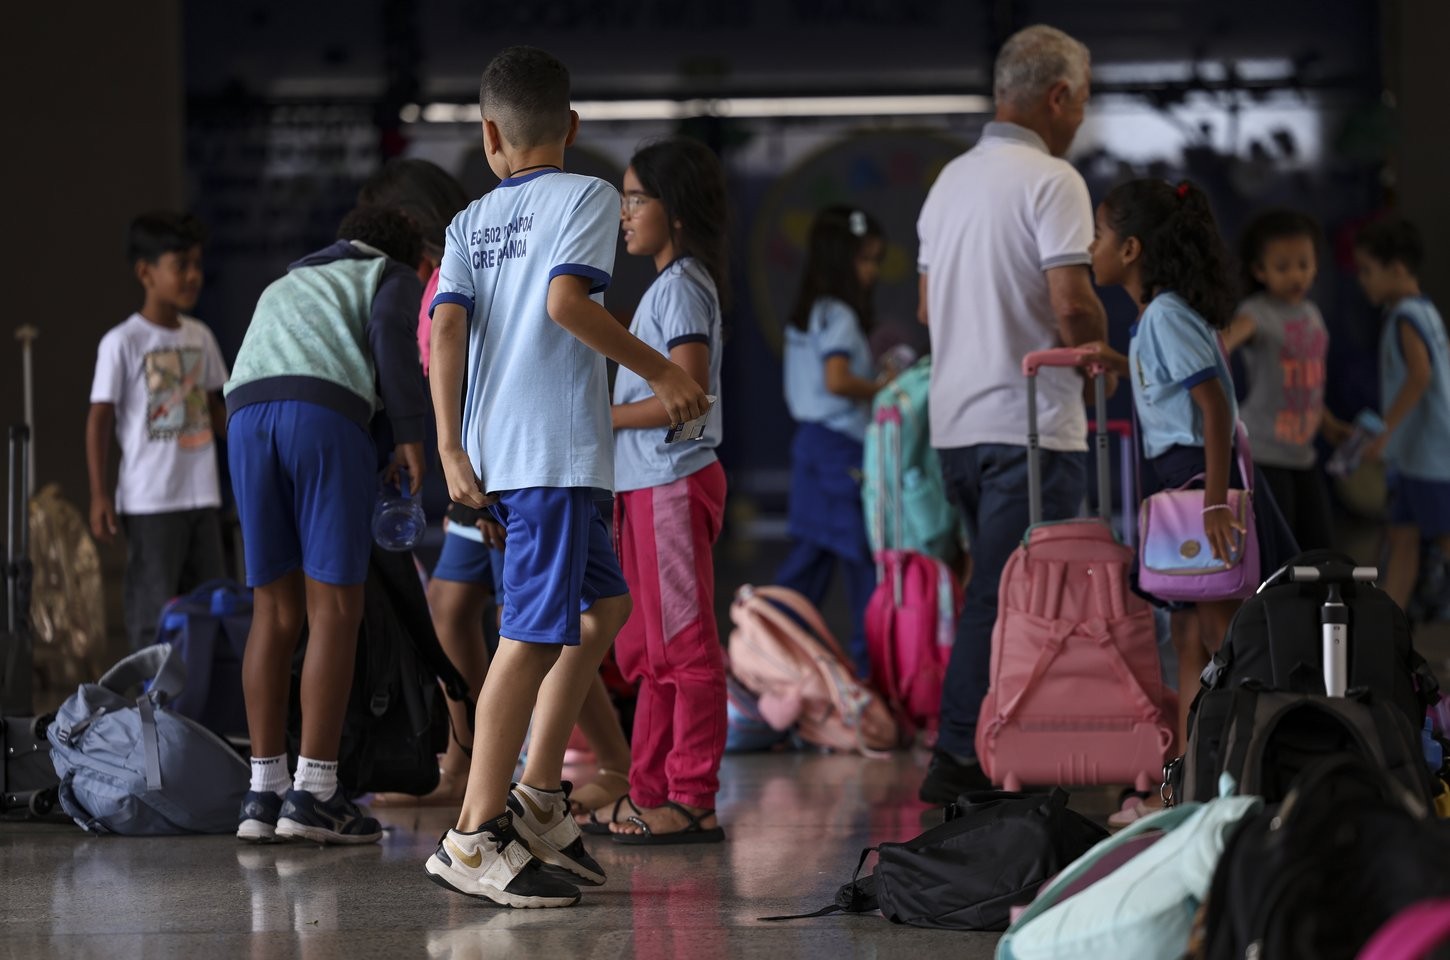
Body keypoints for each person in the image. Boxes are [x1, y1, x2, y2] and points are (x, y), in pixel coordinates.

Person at [424, 46, 708, 909]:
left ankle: (541, 799)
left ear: (487, 136)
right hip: (550, 455)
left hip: (516, 454)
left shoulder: (468, 222)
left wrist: (447, 445)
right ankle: (474, 836)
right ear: (573, 127)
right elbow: (565, 304)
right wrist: (662, 373)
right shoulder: (584, 197)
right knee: (535, 637)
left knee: (603, 608)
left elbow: (444, 334)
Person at [914, 24, 1105, 804]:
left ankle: (995, 742)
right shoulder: (1054, 180)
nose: (1082, 120)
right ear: (1057, 97)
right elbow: (1071, 303)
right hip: (1028, 426)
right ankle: (961, 755)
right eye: (1082, 103)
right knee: (1012, 596)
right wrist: (1097, 355)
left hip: (955, 425)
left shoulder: (949, 181)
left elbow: (928, 309)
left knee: (991, 591)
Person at [1081, 179, 1299, 825]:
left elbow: (1214, 406)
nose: (1088, 247)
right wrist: (1120, 363)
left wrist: (1211, 502)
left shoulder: (1167, 314)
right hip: (1181, 476)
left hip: (1194, 479)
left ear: (1130, 250)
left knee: (1219, 637)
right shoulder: (1159, 317)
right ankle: (1186, 788)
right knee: (1188, 636)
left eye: (1097, 235)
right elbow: (1178, 391)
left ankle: (1225, 782)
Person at [226, 205, 430, 844]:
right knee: (335, 610)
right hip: (321, 415)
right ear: (404, 255)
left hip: (244, 418)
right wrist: (412, 437)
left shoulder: (288, 281)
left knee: (273, 611)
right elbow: (392, 346)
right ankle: (316, 795)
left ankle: (263, 793)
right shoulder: (389, 275)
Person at [602, 138, 729, 844]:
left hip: (672, 484)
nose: (625, 213)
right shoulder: (668, 284)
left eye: (636, 198)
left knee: (684, 649)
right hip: (647, 488)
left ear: (672, 211)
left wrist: (605, 417)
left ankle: (693, 796)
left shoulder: (681, 285)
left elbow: (687, 395)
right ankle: (649, 792)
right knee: (648, 652)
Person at [87, 212, 230, 652]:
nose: (192, 276)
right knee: (153, 609)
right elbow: (99, 418)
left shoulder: (200, 336)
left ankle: (199, 709)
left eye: (197, 265)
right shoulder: (123, 342)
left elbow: (215, 407)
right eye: (180, 265)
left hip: (201, 496)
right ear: (146, 272)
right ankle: (146, 712)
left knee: (211, 603)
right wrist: (99, 494)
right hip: (151, 500)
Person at [776, 205, 886, 675]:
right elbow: (838, 379)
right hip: (841, 448)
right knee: (862, 560)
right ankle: (872, 673)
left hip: (809, 445)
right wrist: (885, 386)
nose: (873, 272)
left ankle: (768, 652)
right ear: (843, 260)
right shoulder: (840, 313)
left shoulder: (808, 314)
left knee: (809, 560)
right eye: (867, 260)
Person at [1222, 210, 1349, 550]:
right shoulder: (1257, 313)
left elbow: (1304, 384)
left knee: (1320, 548)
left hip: (1303, 455)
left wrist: (1330, 424)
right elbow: (1224, 342)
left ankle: (1315, 605)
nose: (1296, 275)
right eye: (1283, 267)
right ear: (1259, 270)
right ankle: (1275, 606)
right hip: (1264, 455)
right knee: (1279, 551)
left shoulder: (1311, 314)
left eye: (1304, 264)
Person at [1354, 218, 1450, 611]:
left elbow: (1420, 374)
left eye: (1366, 271)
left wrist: (1385, 431)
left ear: (1396, 269)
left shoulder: (1405, 316)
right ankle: (1389, 640)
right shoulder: (1424, 309)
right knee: (1402, 541)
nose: (1363, 281)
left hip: (1428, 458)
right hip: (1413, 459)